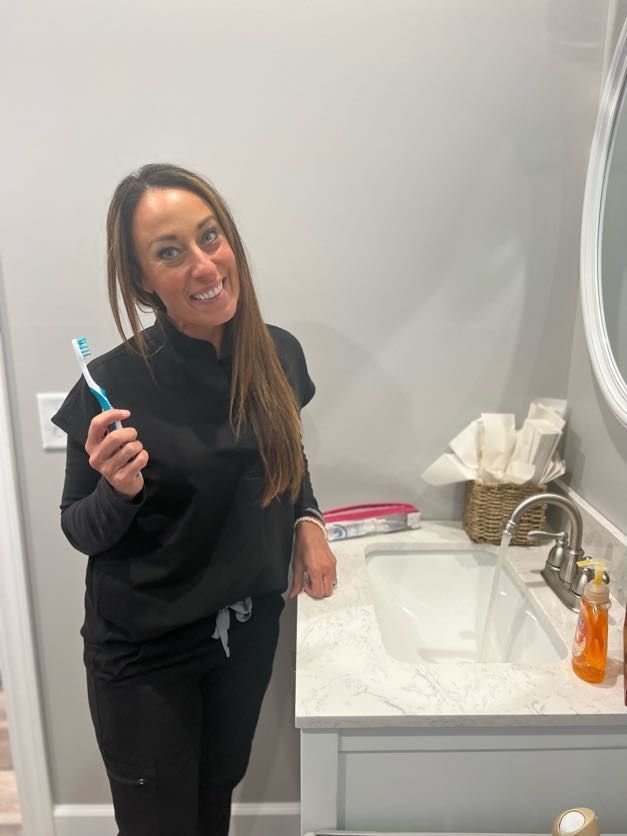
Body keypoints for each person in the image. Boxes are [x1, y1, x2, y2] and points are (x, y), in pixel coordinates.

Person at [52, 163, 336, 836]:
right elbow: (79, 529)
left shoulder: (279, 354)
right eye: (170, 252)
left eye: (210, 237)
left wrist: (308, 519)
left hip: (245, 633)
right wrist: (118, 492)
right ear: (142, 279)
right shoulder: (112, 385)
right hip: (145, 656)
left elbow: (286, 455)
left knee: (214, 805)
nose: (204, 265)